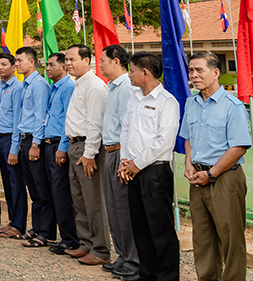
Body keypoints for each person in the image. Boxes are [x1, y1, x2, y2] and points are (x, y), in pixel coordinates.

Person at [181, 51, 251, 281]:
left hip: (225, 179)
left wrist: (211, 174)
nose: (194, 75)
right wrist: (189, 163)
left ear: (216, 72)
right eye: (191, 70)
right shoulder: (191, 103)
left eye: (199, 70)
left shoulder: (232, 106)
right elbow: (188, 137)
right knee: (202, 237)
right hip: (198, 178)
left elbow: (239, 146)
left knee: (230, 238)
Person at [119, 51, 180, 281]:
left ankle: (166, 276)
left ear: (145, 73)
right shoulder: (134, 98)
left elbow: (164, 140)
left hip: (154, 172)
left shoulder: (167, 102)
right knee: (141, 226)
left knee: (160, 228)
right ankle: (147, 274)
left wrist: (136, 163)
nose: (130, 75)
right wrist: (126, 161)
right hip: (132, 170)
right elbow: (126, 131)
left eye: (132, 71)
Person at [64, 44, 109, 265]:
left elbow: (96, 124)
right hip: (75, 146)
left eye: (72, 59)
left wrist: (90, 154)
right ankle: (86, 244)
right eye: (67, 60)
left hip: (87, 148)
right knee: (79, 199)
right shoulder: (78, 85)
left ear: (87, 60)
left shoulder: (94, 86)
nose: (68, 63)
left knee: (93, 201)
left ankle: (101, 249)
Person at [99, 45, 139, 276]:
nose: (101, 63)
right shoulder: (112, 88)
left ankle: (134, 260)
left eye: (103, 60)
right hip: (110, 151)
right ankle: (123, 256)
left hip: (121, 153)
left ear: (116, 61)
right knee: (113, 208)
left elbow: (129, 128)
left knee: (124, 209)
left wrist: (126, 159)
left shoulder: (126, 88)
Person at [11, 47, 51, 247]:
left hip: (34, 142)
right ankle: (36, 227)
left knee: (42, 190)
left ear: (31, 62)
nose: (16, 64)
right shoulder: (25, 85)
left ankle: (46, 232)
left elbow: (40, 117)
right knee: (33, 190)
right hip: (24, 140)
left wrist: (36, 144)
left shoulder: (39, 85)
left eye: (19, 60)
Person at [41, 52, 78, 256]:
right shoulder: (54, 88)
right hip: (49, 144)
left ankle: (70, 239)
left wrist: (63, 148)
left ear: (63, 67)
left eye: (51, 64)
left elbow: (68, 121)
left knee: (63, 194)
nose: (47, 68)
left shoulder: (68, 88)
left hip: (59, 145)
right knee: (54, 193)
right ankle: (62, 236)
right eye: (46, 64)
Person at [0, 52, 25, 238]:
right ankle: (13, 221)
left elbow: (16, 121)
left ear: (13, 67)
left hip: (12, 139)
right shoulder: (0, 87)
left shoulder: (17, 88)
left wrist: (14, 148)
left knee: (15, 183)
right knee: (7, 182)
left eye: (4, 64)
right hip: (1, 138)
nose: (0, 68)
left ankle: (19, 224)